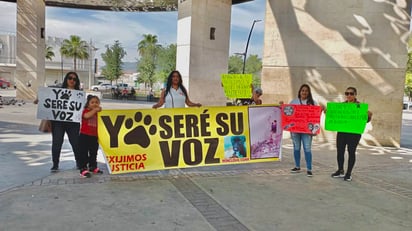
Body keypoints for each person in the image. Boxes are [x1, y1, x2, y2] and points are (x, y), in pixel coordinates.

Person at [331, 87, 373, 181]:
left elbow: (365, 121)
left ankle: (349, 173)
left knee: (351, 152)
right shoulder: (342, 106)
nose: (349, 95)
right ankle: (340, 170)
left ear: (355, 95)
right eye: (347, 93)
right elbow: (335, 117)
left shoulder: (360, 107)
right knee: (340, 151)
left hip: (354, 134)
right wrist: (328, 113)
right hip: (342, 133)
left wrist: (369, 116)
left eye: (351, 93)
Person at [46, 72, 82, 172]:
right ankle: (55, 164)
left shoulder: (79, 94)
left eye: (74, 79)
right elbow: (48, 102)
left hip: (73, 122)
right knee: (57, 143)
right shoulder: (57, 91)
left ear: (77, 81)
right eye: (70, 78)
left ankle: (79, 163)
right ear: (66, 79)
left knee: (75, 143)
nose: (72, 80)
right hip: (58, 122)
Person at [289, 84, 318, 177]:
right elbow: (288, 113)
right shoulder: (294, 101)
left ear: (309, 92)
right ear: (299, 92)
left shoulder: (313, 102)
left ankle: (309, 169)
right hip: (295, 130)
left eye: (306, 91)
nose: (304, 92)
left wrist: (322, 109)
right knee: (296, 147)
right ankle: (297, 166)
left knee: (307, 148)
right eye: (302, 90)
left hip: (307, 131)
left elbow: (316, 115)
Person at [78, 95, 103, 178]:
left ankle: (93, 166)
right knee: (83, 153)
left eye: (96, 102)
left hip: (94, 136)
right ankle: (83, 168)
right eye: (92, 102)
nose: (95, 104)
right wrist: (95, 110)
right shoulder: (86, 111)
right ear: (88, 104)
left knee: (93, 153)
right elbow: (86, 116)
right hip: (84, 135)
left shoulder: (99, 113)